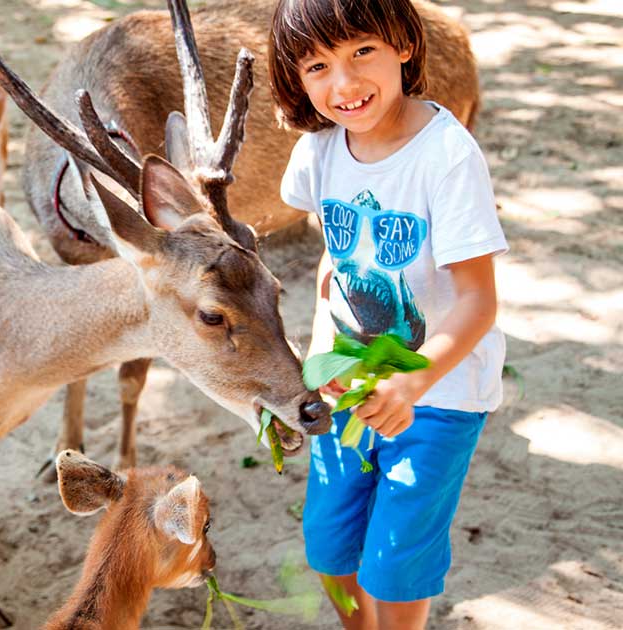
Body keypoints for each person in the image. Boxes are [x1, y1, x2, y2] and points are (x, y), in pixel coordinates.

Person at [267, 1, 508, 628]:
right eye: (317, 65)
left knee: (395, 562)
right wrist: (324, 350)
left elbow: (479, 300)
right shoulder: (320, 149)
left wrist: (414, 380)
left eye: (361, 52)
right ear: (296, 78)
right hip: (352, 384)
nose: (343, 84)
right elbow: (334, 261)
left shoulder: (446, 157)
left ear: (402, 42)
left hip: (440, 390)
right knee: (329, 545)